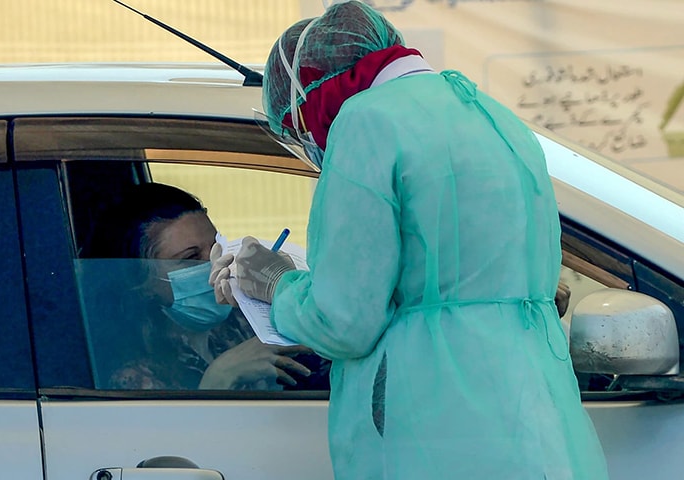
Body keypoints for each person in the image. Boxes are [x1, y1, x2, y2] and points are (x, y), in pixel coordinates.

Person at [210, 2, 609, 478]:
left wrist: (275, 282)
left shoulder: (364, 121)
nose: (313, 144)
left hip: (437, 427)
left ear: (313, 95)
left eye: (301, 131)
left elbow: (343, 322)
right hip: (536, 423)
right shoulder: (492, 116)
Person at [82, 182, 324, 391]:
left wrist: (287, 293)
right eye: (190, 258)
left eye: (216, 246)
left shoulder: (244, 319)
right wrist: (220, 378)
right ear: (143, 283)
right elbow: (172, 443)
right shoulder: (133, 377)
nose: (215, 264)